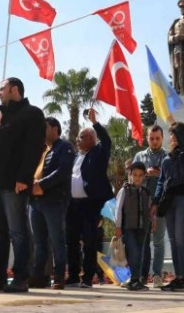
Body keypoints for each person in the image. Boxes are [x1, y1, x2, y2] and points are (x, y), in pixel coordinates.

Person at [0, 77, 46, 293]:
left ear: (15, 89)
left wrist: (24, 178)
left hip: (14, 184)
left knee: (18, 231)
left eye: (2, 89)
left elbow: (34, 148)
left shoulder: (32, 113)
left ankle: (21, 277)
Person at [66, 108, 114, 288]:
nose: (77, 140)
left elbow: (107, 140)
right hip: (72, 205)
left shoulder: (98, 153)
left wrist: (95, 123)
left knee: (89, 242)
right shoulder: (76, 157)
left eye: (81, 137)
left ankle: (87, 278)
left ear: (91, 139)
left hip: (90, 206)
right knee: (70, 241)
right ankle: (72, 276)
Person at [30, 117, 75, 290]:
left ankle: (59, 278)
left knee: (57, 240)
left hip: (54, 201)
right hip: (36, 202)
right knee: (40, 242)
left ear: (55, 128)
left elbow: (62, 171)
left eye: (45, 127)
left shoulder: (65, 147)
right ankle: (39, 276)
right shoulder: (42, 149)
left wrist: (41, 184)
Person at [152, 122, 184, 292]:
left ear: (180, 135)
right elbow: (161, 182)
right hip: (169, 200)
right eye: (171, 135)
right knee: (172, 240)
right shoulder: (166, 159)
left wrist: (182, 140)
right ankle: (178, 277)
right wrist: (156, 202)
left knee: (180, 238)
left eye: (174, 134)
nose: (171, 138)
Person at [132, 126, 167, 287]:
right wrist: (146, 173)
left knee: (158, 241)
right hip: (141, 205)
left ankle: (158, 275)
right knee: (143, 242)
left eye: (157, 138)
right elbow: (132, 179)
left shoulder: (167, 156)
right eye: (151, 138)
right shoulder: (140, 156)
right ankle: (141, 276)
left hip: (160, 204)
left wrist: (159, 174)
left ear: (162, 138)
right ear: (147, 138)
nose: (154, 141)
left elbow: (172, 178)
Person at [114, 162, 155, 291]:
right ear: (129, 175)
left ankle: (135, 279)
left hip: (143, 228)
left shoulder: (145, 192)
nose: (137, 178)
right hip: (129, 228)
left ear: (144, 177)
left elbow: (149, 209)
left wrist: (153, 221)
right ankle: (135, 280)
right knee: (134, 253)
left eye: (140, 175)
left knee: (140, 253)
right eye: (134, 175)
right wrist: (118, 226)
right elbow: (118, 209)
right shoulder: (124, 190)